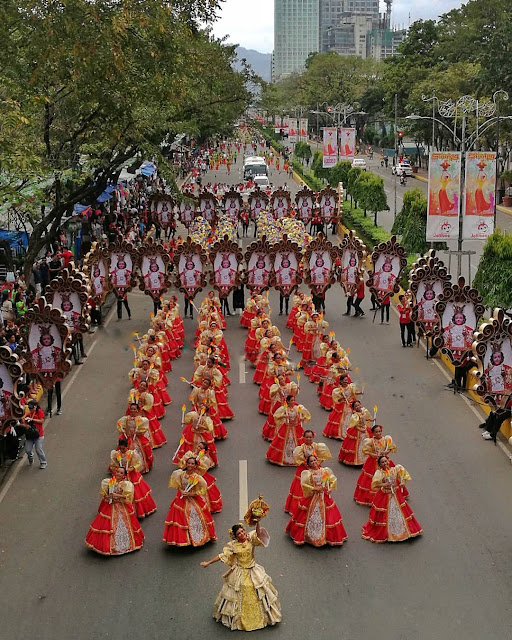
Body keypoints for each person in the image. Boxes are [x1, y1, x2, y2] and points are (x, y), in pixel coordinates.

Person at [200, 520, 282, 631]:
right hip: (239, 572)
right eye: (239, 533)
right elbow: (222, 556)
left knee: (259, 591)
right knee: (239, 590)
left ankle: (264, 616)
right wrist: (208, 563)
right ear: (235, 536)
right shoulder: (233, 546)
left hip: (253, 571)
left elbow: (258, 534)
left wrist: (257, 522)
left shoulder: (250, 539)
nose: (242, 534)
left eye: (243, 531)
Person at [286, 454, 348, 547]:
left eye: (315, 460)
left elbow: (331, 480)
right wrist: (314, 489)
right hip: (313, 497)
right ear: (309, 464)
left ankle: (325, 536)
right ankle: (309, 535)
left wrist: (330, 488)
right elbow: (304, 484)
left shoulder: (324, 471)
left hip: (323, 496)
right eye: (311, 461)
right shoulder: (308, 473)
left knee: (328, 515)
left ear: (318, 461)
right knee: (307, 515)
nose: (314, 462)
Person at [361, 455, 422, 543]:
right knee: (386, 514)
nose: (385, 463)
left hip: (396, 495)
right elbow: (374, 485)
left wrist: (402, 483)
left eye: (386, 461)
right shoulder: (379, 473)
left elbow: (403, 476)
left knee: (400, 512)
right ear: (380, 464)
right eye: (383, 462)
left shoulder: (395, 469)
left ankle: (402, 530)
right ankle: (389, 532)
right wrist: (384, 485)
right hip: (385, 496)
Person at [85, 466, 145, 556]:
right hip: (110, 505)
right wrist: (108, 497)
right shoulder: (108, 482)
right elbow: (104, 495)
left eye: (121, 473)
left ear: (124, 475)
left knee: (124, 524)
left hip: (121, 506)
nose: (118, 474)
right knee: (106, 524)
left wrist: (116, 495)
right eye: (117, 472)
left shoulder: (126, 484)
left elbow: (127, 497)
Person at [162, 456, 216, 547]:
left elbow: (202, 490)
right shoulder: (180, 474)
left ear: (195, 466)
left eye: (192, 463)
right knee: (179, 516)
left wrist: (191, 494)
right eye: (189, 463)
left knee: (195, 516)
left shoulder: (197, 478)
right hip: (182, 499)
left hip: (193, 500)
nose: (190, 465)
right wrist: (181, 491)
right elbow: (178, 484)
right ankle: (182, 538)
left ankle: (196, 537)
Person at [109, 438, 156, 519]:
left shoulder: (132, 454)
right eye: (120, 448)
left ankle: (136, 511)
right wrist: (117, 469)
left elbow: (138, 463)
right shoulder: (117, 454)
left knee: (136, 492)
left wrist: (131, 468)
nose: (122, 450)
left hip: (131, 475)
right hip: (121, 474)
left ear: (127, 447)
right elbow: (113, 464)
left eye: (123, 448)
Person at [23, 400, 47, 468]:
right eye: (29, 408)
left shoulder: (39, 412)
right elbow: (24, 423)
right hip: (30, 435)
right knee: (27, 450)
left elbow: (41, 421)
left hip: (38, 434)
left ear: (35, 406)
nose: (30, 409)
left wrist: (32, 420)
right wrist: (25, 425)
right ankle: (30, 457)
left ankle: (43, 462)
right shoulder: (28, 414)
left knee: (38, 449)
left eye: (32, 408)